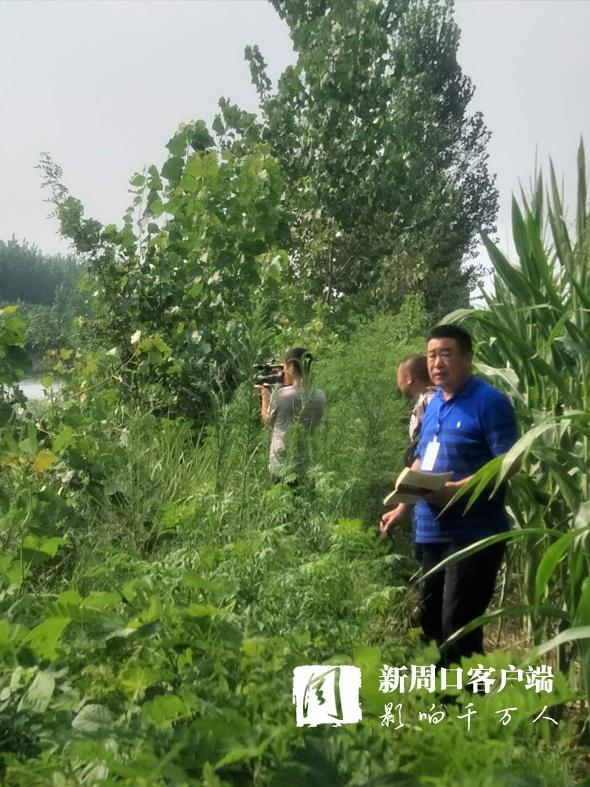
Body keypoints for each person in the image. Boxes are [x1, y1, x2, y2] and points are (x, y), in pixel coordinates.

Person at [380, 324, 518, 666]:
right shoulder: (435, 405)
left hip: (474, 534)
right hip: (432, 532)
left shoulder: (490, 402)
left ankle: (468, 699)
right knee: (430, 627)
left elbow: (510, 463)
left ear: (467, 358)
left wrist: (458, 489)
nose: (437, 362)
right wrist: (402, 504)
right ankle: (440, 697)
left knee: (458, 629)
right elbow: (423, 458)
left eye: (446, 354)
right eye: (431, 355)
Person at [256, 347, 325, 483]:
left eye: (285, 367)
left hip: (282, 464)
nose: (283, 372)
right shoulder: (320, 395)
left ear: (291, 367)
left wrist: (265, 396)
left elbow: (267, 420)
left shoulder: (282, 395)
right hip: (307, 464)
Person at [397, 354, 437, 466]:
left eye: (399, 377)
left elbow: (435, 435)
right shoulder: (426, 399)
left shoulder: (430, 399)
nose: (398, 383)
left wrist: (425, 466)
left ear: (408, 378)